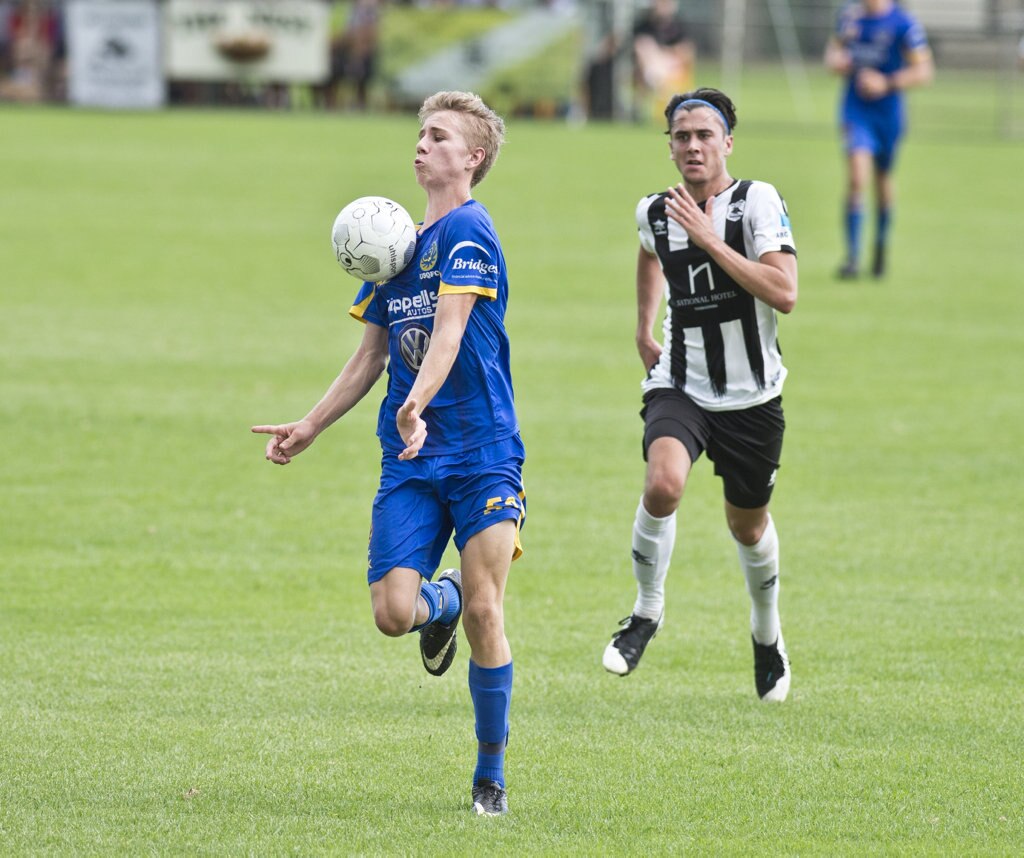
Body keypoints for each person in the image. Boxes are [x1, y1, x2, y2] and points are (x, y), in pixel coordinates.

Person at [253, 91, 524, 817]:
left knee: (488, 616)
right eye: (419, 134)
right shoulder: (395, 247)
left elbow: (450, 331)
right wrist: (311, 424)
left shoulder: (470, 229)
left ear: (472, 158)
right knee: (392, 613)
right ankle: (446, 595)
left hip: (481, 449)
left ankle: (489, 777)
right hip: (408, 458)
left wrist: (418, 401)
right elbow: (370, 355)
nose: (421, 145)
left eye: (437, 137)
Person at [601, 88, 798, 703]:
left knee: (748, 526)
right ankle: (646, 612)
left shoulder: (756, 202)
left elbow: (784, 292)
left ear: (727, 143)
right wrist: (642, 324)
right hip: (680, 382)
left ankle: (767, 635)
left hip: (753, 398)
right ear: (670, 146)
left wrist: (710, 239)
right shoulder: (656, 212)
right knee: (663, 484)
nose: (692, 146)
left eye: (704, 135)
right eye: (681, 137)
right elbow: (649, 251)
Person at [824, 0, 933, 279]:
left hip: (888, 114)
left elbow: (924, 71)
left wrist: (886, 82)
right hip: (855, 110)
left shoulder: (903, 24)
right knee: (857, 178)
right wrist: (838, 62)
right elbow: (832, 57)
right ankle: (852, 258)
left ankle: (881, 248)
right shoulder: (849, 18)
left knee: (883, 178)